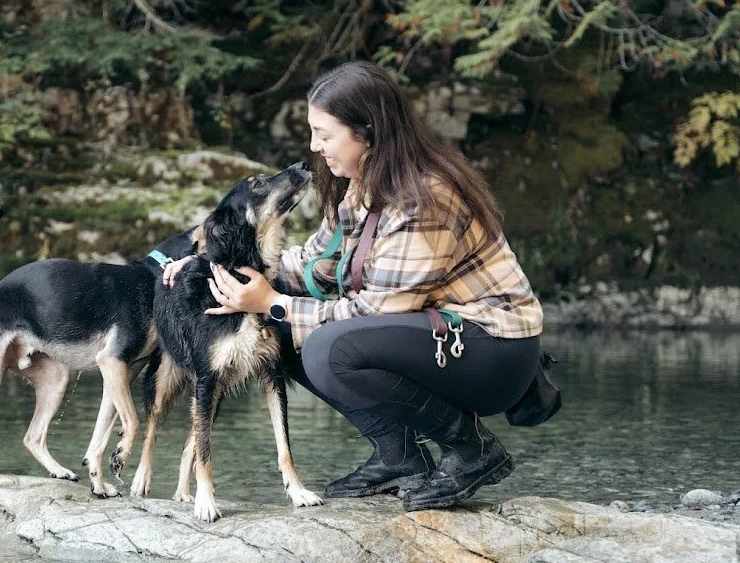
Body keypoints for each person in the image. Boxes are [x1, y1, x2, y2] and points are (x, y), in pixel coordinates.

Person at [167, 61, 543, 511]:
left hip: (493, 352)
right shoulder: (359, 189)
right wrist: (212, 265)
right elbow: (312, 264)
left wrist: (273, 303)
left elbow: (379, 311)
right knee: (276, 334)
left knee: (328, 348)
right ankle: (399, 455)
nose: (314, 146)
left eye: (324, 134)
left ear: (367, 130)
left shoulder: (424, 199)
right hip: (435, 338)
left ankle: (471, 449)